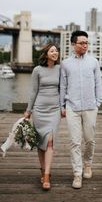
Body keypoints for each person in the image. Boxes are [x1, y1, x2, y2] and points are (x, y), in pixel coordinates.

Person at [60, 30, 102, 189]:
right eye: (82, 43)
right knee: (74, 142)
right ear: (73, 44)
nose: (85, 45)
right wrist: (61, 106)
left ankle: (88, 164)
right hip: (72, 107)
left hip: (91, 107)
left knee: (90, 140)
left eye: (86, 43)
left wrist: (98, 102)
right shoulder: (65, 63)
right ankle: (77, 174)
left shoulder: (93, 61)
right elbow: (63, 86)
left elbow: (98, 83)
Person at [24, 43, 61, 190]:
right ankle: (42, 169)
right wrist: (28, 110)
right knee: (41, 143)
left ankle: (47, 175)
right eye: (52, 51)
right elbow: (33, 92)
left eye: (56, 51)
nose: (55, 53)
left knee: (50, 141)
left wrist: (63, 107)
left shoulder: (60, 69)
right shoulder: (37, 70)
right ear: (46, 54)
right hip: (39, 110)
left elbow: (63, 89)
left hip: (54, 110)